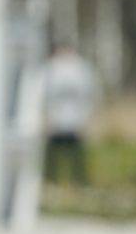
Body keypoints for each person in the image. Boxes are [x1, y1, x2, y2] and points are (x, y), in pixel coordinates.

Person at [40, 44, 98, 186]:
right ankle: (50, 181)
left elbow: (90, 94)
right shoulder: (51, 68)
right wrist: (46, 117)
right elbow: (42, 94)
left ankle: (79, 182)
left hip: (75, 120)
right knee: (53, 155)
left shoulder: (81, 69)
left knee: (76, 156)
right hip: (56, 120)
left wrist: (86, 118)